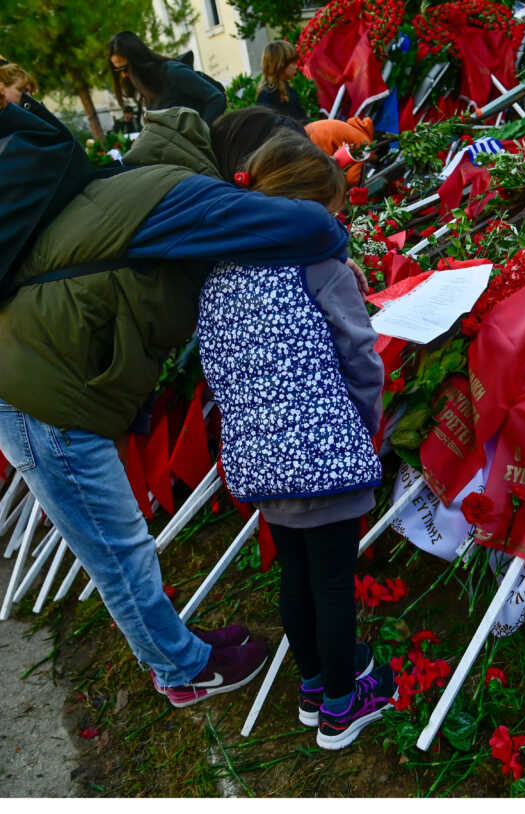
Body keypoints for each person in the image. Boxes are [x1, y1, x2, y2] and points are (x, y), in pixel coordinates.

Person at [0, 106, 350, 709]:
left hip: (35, 377)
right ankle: (180, 671)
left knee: (121, 543)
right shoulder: (181, 194)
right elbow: (314, 227)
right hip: (38, 396)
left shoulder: (150, 182)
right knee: (117, 549)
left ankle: (179, 648)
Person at [196, 132, 395, 751]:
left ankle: (314, 684)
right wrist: (365, 423)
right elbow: (360, 354)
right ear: (311, 209)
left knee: (297, 574)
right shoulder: (320, 265)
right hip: (326, 451)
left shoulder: (219, 268)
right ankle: (342, 706)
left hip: (260, 455)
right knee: (335, 581)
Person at [108, 31, 226, 126]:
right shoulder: (147, 86)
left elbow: (216, 98)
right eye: (117, 71)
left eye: (124, 69)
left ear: (137, 61)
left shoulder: (173, 72)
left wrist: (198, 132)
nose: (123, 75)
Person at [304, 116, 375, 186]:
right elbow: (351, 178)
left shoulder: (356, 135)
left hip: (310, 134)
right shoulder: (363, 143)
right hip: (319, 141)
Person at [256, 40, 307, 123]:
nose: (296, 67)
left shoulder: (290, 90)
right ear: (281, 64)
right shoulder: (266, 95)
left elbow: (302, 119)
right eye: (293, 63)